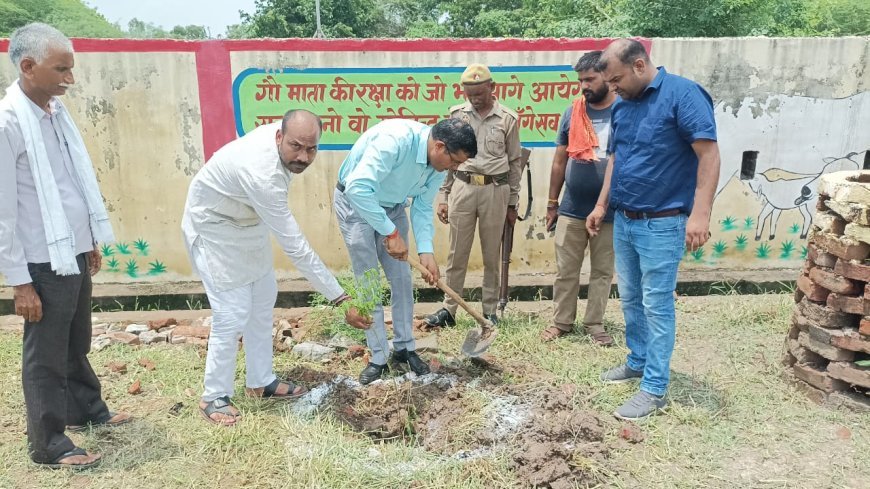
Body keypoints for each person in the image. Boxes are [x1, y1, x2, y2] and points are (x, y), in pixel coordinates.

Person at [182, 109, 368, 425]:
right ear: (279, 137)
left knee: (263, 298)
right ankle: (214, 395)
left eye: (311, 148)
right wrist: (340, 298)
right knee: (233, 312)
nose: (303, 156)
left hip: (247, 223)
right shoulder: (261, 173)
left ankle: (260, 382)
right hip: (213, 227)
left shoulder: (283, 142)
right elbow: (295, 246)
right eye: (296, 146)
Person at [0, 23, 131, 469]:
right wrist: (20, 283)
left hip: (70, 251)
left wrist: (88, 241)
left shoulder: (55, 113)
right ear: (28, 66)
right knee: (46, 357)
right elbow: (3, 214)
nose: (69, 81)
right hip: (41, 262)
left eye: (70, 69)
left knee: (76, 340)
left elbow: (70, 185)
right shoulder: (8, 123)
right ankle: (48, 444)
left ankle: (86, 411)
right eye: (61, 70)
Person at [587, 39, 720, 420]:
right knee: (630, 297)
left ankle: (655, 388)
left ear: (640, 65)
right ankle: (638, 360)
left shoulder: (684, 95)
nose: (613, 89)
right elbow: (616, 156)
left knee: (657, 304)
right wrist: (601, 205)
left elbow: (708, 154)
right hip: (626, 220)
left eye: (616, 80)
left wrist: (701, 214)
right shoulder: (624, 106)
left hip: (663, 222)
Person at [334, 118, 477, 385]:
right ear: (439, 146)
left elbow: (422, 206)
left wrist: (426, 252)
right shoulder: (395, 142)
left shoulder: (437, 165)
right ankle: (378, 356)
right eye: (455, 161)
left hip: (393, 206)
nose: (456, 169)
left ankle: (404, 348)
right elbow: (358, 188)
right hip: (356, 205)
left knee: (401, 279)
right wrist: (391, 233)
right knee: (369, 282)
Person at [423, 64, 523, 328]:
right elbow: (448, 160)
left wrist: (512, 202)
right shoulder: (456, 114)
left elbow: (514, 163)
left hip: (495, 191)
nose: (475, 98)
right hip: (463, 188)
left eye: (479, 93)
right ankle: (449, 309)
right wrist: (443, 195)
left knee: (492, 255)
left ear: (492, 88)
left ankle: (489, 310)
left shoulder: (508, 119)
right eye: (470, 93)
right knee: (457, 254)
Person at [540, 51, 617, 346]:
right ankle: (562, 322)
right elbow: (560, 160)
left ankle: (595, 323)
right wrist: (552, 203)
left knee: (602, 271)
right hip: (572, 208)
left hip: (610, 210)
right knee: (565, 270)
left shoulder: (623, 111)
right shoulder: (573, 112)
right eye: (580, 80)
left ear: (607, 78)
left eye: (590, 79)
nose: (584, 85)